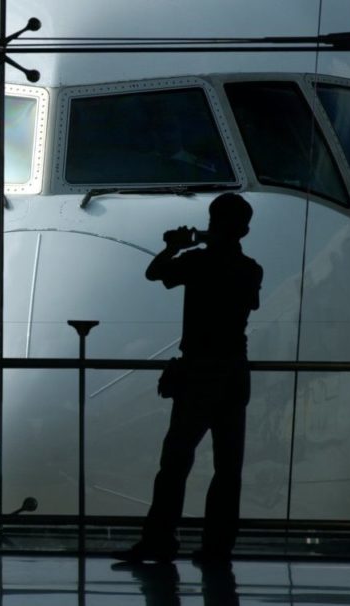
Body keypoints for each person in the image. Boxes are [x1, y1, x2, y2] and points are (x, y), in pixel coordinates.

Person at [115, 193, 263, 566]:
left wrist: (175, 246)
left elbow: (154, 273)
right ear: (244, 229)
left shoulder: (197, 262)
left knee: (175, 463)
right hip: (233, 372)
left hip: (198, 372)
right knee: (228, 468)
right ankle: (217, 547)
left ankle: (160, 540)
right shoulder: (250, 269)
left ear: (212, 223)